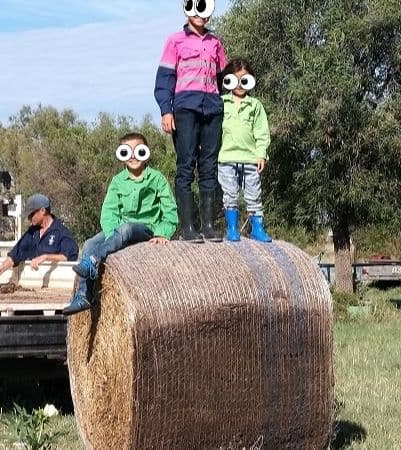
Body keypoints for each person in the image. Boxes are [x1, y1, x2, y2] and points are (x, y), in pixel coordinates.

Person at [63, 132, 178, 316]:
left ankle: (94, 260)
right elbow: (108, 212)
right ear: (121, 156)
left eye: (138, 151)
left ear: (146, 152)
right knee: (90, 243)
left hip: (146, 229)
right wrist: (113, 237)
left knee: (126, 229)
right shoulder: (117, 181)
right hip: (119, 231)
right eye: (127, 152)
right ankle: (84, 294)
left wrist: (163, 232)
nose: (133, 156)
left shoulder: (157, 179)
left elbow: (170, 210)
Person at [154, 0, 226, 243]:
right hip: (185, 107)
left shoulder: (216, 43)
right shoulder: (175, 41)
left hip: (212, 108)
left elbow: (222, 80)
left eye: (205, 11)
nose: (201, 15)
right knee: (186, 165)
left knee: (209, 166)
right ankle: (188, 227)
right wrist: (166, 110)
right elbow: (164, 79)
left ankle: (208, 225)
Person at [218, 58, 272, 242]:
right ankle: (232, 228)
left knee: (254, 195)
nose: (240, 84)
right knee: (230, 195)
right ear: (227, 80)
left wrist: (261, 153)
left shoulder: (255, 105)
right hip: (226, 158)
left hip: (250, 159)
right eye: (235, 79)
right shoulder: (220, 103)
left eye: (245, 80)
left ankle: (257, 228)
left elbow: (262, 132)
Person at [0, 193, 79, 275]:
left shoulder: (61, 232)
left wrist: (45, 257)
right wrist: (1, 268)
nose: (29, 218)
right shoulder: (31, 232)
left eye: (31, 214)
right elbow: (15, 254)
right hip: (33, 280)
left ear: (42, 211)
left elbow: (68, 257)